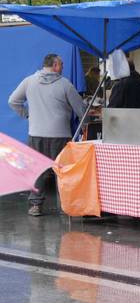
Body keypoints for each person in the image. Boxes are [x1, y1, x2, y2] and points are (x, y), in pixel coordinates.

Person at [8, 53, 87, 216]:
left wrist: (27, 114)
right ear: (55, 65)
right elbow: (81, 109)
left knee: (38, 171)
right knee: (62, 171)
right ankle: (65, 206)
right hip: (60, 135)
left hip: (36, 134)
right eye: (61, 64)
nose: (63, 67)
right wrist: (85, 122)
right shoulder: (65, 84)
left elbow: (13, 101)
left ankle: (35, 206)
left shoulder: (29, 81)